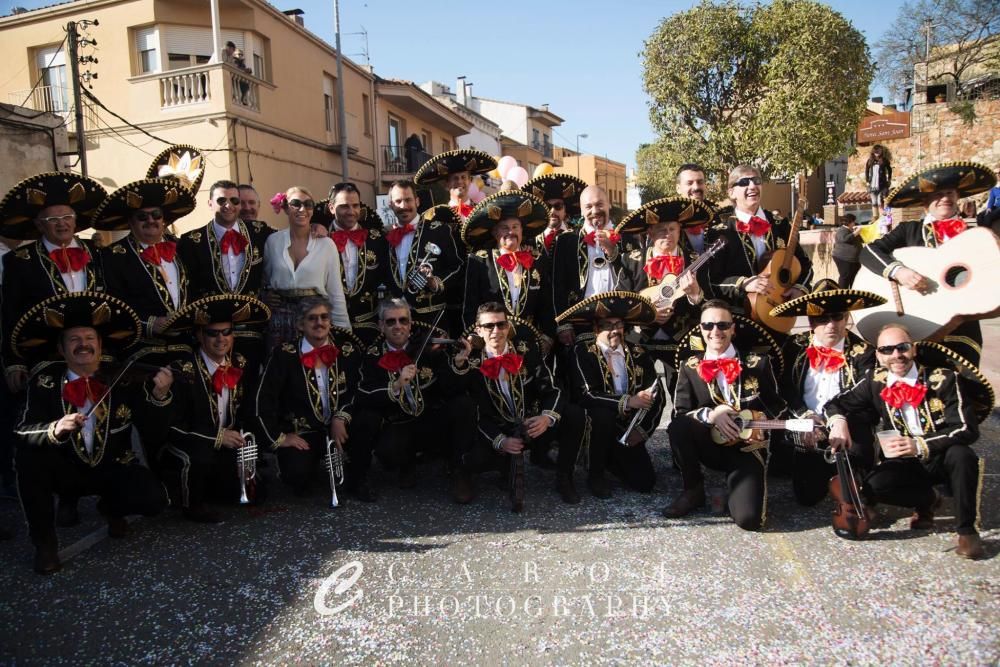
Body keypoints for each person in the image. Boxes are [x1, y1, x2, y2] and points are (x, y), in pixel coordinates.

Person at [11, 292, 172, 574]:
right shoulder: (45, 383)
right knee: (29, 462)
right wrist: (54, 429)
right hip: (65, 470)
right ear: (61, 350)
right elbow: (21, 431)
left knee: (154, 498)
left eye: (89, 339)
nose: (83, 344)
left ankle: (112, 509)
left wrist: (159, 395)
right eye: (74, 340)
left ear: (100, 346)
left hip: (111, 466)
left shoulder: (123, 379)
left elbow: (155, 428)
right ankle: (45, 543)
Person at [824, 324, 989, 559]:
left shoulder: (944, 379)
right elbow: (836, 403)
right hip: (904, 461)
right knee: (872, 488)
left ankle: (966, 531)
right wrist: (839, 421)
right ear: (879, 355)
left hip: (941, 457)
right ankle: (929, 500)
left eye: (902, 348)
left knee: (963, 455)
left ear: (913, 349)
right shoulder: (876, 379)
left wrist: (920, 445)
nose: (896, 355)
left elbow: (966, 428)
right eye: (887, 350)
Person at [662, 299, 786, 530]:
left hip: (746, 448)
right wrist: (712, 414)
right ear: (701, 329)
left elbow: (776, 406)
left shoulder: (758, 363)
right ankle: (693, 489)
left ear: (733, 328)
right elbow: (681, 412)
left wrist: (762, 425)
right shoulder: (690, 366)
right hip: (708, 445)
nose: (715, 331)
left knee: (750, 520)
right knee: (678, 427)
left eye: (722, 325)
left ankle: (736, 490)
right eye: (708, 326)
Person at [861, 161, 996, 366]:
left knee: (964, 390)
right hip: (917, 328)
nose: (945, 199)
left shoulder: (977, 236)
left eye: (950, 193)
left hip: (963, 333)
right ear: (925, 202)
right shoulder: (910, 230)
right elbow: (868, 252)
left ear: (958, 197)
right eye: (937, 195)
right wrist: (899, 271)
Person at [459, 302, 585, 509]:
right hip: (496, 428)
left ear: (508, 327)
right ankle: (473, 472)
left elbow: (554, 389)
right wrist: (500, 441)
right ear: (479, 330)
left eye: (501, 325)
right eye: (489, 326)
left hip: (531, 424)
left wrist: (546, 418)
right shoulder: (471, 363)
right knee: (476, 457)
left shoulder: (528, 353)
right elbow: (475, 412)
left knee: (573, 414)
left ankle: (565, 477)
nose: (496, 331)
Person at [770, 281, 882, 505]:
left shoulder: (864, 352)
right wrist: (805, 415)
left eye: (837, 316)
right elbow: (784, 388)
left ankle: (857, 476)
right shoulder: (795, 346)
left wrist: (838, 419)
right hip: (807, 425)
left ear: (847, 317)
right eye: (822, 318)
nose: (830, 324)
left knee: (859, 481)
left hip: (846, 426)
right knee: (807, 497)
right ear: (811, 322)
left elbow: (869, 402)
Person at [160, 295, 269, 522]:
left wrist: (244, 453)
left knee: (259, 493)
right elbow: (173, 428)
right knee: (198, 459)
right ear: (199, 336)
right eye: (213, 333)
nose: (221, 339)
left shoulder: (240, 363)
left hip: (223, 445)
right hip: (190, 445)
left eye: (227, 332)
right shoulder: (182, 370)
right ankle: (191, 503)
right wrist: (216, 437)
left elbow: (246, 413)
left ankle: (209, 486)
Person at [349, 298, 475, 495]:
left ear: (410, 324)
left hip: (430, 419)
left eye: (403, 320)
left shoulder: (429, 348)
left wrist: (458, 364)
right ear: (381, 326)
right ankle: (406, 465)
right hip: (399, 424)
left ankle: (459, 469)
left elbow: (451, 389)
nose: (398, 326)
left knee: (463, 404)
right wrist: (396, 385)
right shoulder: (373, 356)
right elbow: (364, 395)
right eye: (391, 321)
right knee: (385, 446)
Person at [0, 172, 107, 393]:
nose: (62, 224)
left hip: (96, 357)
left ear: (75, 221)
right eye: (52, 220)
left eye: (67, 217)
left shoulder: (100, 254)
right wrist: (14, 361)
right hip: (44, 357)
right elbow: (9, 314)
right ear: (39, 225)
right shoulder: (19, 261)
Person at [254, 297, 367, 500]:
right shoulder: (283, 355)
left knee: (366, 423)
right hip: (303, 432)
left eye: (324, 317)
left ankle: (357, 480)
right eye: (312, 318)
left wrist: (341, 416)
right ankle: (307, 472)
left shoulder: (347, 352)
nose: (319, 323)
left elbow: (357, 389)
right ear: (300, 324)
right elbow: (265, 399)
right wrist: (280, 437)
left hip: (340, 427)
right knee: (296, 474)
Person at [558, 291, 664, 498]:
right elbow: (586, 394)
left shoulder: (638, 352)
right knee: (602, 415)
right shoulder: (582, 351)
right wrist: (628, 401)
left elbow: (657, 394)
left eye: (619, 325)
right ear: (596, 329)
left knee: (645, 483)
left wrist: (643, 431)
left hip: (625, 429)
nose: (615, 331)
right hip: (592, 423)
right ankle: (593, 473)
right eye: (608, 326)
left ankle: (610, 459)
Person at [177, 179, 275, 389]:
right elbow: (186, 289)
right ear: (210, 203)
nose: (228, 205)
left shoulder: (260, 232)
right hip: (212, 335)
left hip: (251, 331)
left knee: (250, 388)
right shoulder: (191, 241)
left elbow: (292, 240)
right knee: (213, 389)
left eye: (234, 200)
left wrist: (318, 229)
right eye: (221, 200)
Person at [618, 197, 712, 392]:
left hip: (681, 337)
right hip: (640, 338)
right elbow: (621, 302)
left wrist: (695, 295)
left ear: (680, 231)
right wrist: (647, 314)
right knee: (642, 393)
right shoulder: (631, 260)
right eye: (661, 229)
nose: (667, 234)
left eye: (672, 229)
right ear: (650, 232)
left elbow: (710, 305)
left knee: (685, 392)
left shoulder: (696, 260)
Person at [95, 178, 196, 352]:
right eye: (142, 217)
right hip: (143, 349)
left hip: (187, 345)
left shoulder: (182, 248)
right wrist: (150, 323)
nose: (151, 220)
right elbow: (112, 304)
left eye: (156, 215)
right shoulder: (113, 257)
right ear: (131, 222)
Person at [706, 165, 812, 320]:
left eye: (757, 181)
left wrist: (799, 288)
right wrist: (743, 284)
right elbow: (712, 281)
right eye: (744, 182)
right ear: (731, 193)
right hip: (739, 319)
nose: (752, 186)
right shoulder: (720, 232)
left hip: (780, 313)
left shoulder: (780, 225)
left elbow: (804, 264)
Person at [551, 185, 642, 347]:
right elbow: (558, 285)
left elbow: (636, 280)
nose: (595, 210)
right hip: (581, 323)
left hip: (619, 323)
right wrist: (563, 324)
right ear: (581, 210)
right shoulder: (567, 241)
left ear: (609, 205)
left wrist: (613, 254)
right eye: (588, 206)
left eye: (600, 204)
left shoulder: (628, 239)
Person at [261, 186, 351, 350]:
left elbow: (335, 291)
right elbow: (264, 281)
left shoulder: (326, 244)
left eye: (308, 204)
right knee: (279, 369)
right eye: (296, 203)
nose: (302, 209)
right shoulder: (272, 241)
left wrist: (344, 332)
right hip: (280, 320)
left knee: (311, 368)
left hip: (314, 318)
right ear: (286, 208)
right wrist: (265, 296)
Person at [461, 191, 554, 342]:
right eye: (504, 228)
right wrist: (473, 336)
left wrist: (548, 336)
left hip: (529, 341)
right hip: (492, 340)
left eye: (515, 226)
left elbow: (546, 304)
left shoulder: (537, 260)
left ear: (522, 231)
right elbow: (470, 305)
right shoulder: (479, 261)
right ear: (495, 233)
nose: (511, 232)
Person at [314, 182, 391, 344]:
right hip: (328, 326)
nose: (351, 212)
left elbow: (389, 278)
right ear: (332, 208)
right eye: (344, 206)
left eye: (355, 205)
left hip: (369, 326)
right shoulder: (318, 239)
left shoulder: (377, 239)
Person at [384, 180, 464, 331]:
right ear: (391, 205)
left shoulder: (439, 230)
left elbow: (458, 266)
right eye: (398, 201)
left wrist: (436, 282)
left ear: (417, 201)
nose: (403, 206)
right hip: (396, 324)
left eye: (408, 200)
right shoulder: (385, 236)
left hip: (432, 320)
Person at [414, 148, 497, 219]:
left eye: (463, 177)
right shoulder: (438, 216)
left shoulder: (482, 213)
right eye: (455, 178)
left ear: (470, 181)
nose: (460, 181)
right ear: (446, 184)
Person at [522, 173, 588, 254]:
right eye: (547, 206)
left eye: (558, 206)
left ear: (565, 210)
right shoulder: (530, 240)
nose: (552, 211)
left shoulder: (578, 236)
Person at [831, 213, 864, 288]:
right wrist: (856, 233)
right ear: (850, 222)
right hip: (843, 258)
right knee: (845, 277)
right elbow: (845, 239)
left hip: (854, 260)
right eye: (853, 221)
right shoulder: (842, 230)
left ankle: (853, 293)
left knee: (855, 278)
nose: (854, 223)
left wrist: (857, 233)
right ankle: (843, 295)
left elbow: (861, 240)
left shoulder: (851, 230)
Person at [865, 145, 892, 222]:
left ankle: (883, 216)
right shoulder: (870, 160)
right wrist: (867, 181)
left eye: (878, 152)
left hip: (882, 184)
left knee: (881, 201)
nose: (877, 154)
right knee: (874, 201)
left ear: (881, 152)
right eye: (875, 152)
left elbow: (889, 170)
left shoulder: (884, 160)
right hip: (872, 184)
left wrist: (889, 179)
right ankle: (875, 217)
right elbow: (866, 171)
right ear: (873, 152)